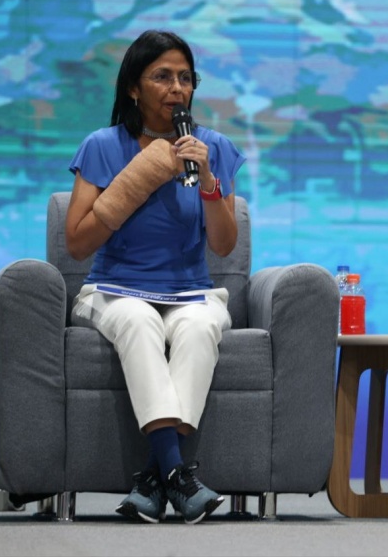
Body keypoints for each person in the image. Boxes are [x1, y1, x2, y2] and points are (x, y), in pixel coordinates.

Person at [65, 29, 245, 524]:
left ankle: (155, 476)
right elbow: (76, 243)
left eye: (185, 78)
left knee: (202, 327)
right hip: (113, 289)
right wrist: (136, 180)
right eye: (162, 77)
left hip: (191, 292)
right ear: (133, 87)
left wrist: (208, 182)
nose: (176, 88)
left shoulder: (213, 148)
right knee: (138, 321)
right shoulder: (103, 145)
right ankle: (178, 473)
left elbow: (224, 245)